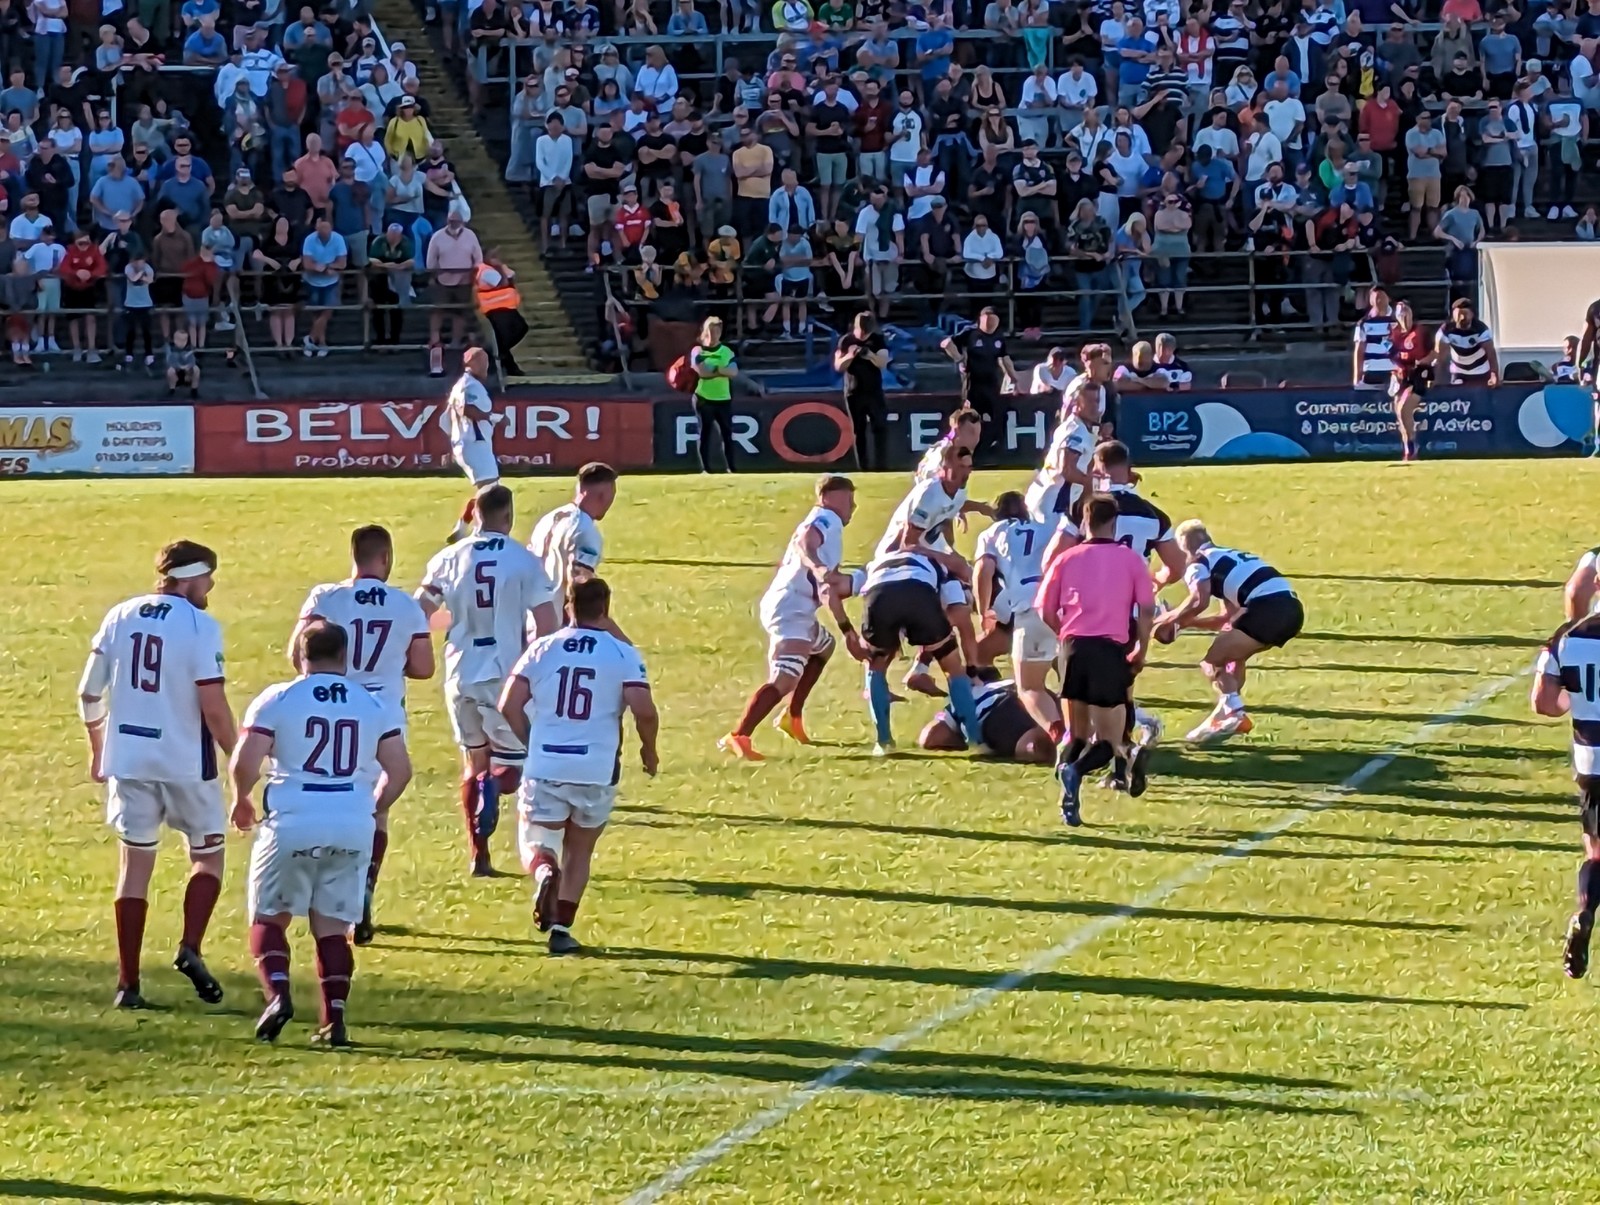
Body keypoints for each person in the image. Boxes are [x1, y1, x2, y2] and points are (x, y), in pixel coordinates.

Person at [230, 620, 411, 1047]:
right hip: (351, 821)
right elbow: (399, 770)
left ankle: (278, 994)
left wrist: (241, 798)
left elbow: (245, 761)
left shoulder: (278, 698)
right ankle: (335, 1020)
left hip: (292, 818)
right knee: (332, 927)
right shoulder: (371, 704)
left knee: (268, 917)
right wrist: (373, 807)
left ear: (300, 655)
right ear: (344, 657)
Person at [77, 540, 238, 1009]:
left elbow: (88, 693)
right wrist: (238, 759)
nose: (210, 587)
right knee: (207, 856)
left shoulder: (119, 615)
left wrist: (98, 749)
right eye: (208, 578)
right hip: (186, 761)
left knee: (134, 869)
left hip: (128, 757)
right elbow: (213, 707)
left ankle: (128, 984)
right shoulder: (200, 626)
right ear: (190, 579)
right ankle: (190, 946)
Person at [289, 525, 434, 945]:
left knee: (330, 797)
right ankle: (363, 888)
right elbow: (424, 667)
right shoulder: (406, 606)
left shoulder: (326, 598)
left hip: (329, 709)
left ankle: (332, 893)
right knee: (376, 811)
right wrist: (391, 663)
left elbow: (295, 655)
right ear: (385, 559)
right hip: (382, 713)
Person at [497, 577, 657, 955]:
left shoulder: (542, 649)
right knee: (580, 850)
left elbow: (508, 703)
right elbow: (644, 709)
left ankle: (542, 871)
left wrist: (530, 740)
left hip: (547, 762)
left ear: (568, 606)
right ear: (605, 607)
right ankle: (561, 929)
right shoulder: (622, 654)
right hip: (596, 767)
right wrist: (649, 750)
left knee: (534, 839)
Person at [417, 484, 558, 877]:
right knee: (514, 766)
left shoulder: (447, 557)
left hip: (459, 672)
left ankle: (479, 855)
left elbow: (420, 614)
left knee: (472, 761)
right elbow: (547, 625)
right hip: (503, 673)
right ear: (508, 517)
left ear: (475, 514)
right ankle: (494, 791)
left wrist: (456, 620)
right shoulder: (524, 561)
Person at [721, 475, 866, 760]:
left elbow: (828, 588)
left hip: (794, 604)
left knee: (824, 647)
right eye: (849, 500)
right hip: (789, 608)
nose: (854, 507)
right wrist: (818, 566)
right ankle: (738, 735)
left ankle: (792, 716)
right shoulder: (826, 518)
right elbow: (805, 541)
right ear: (832, 498)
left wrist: (849, 624)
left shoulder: (829, 527)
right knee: (784, 679)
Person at [1035, 494, 1155, 825]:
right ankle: (1079, 771)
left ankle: (1068, 799)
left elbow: (1044, 609)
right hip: (1109, 650)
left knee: (1075, 734)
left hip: (1073, 649)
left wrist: (1065, 635)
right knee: (1109, 740)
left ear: (1084, 522)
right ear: (1114, 523)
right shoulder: (1131, 560)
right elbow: (1146, 609)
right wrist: (1141, 649)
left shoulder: (1066, 558)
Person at [858, 484, 985, 755]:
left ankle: (883, 742)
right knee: (953, 667)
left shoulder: (877, 560)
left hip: (878, 593)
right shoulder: (935, 556)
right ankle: (975, 739)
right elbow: (961, 583)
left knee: (876, 666)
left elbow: (850, 586)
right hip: (917, 591)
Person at [1155, 521, 1304, 743]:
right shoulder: (1226, 556)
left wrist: (1167, 618)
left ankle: (1234, 710)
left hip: (1267, 608)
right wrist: (1183, 624)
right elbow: (1224, 619)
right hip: (1292, 610)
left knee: (1211, 662)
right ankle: (1225, 712)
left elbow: (1199, 600)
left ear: (1182, 547)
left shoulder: (1198, 562)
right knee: (1233, 656)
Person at [1532, 611, 1600, 977]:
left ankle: (1586, 910)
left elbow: (1543, 703)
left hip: (1592, 763)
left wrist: (1574, 703)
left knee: (1597, 854)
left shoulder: (1567, 638)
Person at [973, 491, 1057, 740]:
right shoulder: (1046, 529)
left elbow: (983, 570)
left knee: (1027, 685)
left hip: (1022, 603)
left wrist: (983, 610)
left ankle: (989, 703)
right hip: (1057, 602)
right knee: (1070, 675)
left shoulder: (992, 533)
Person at [527, 462, 619, 631]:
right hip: (557, 626)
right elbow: (579, 582)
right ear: (603, 496)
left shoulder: (548, 519)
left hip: (530, 618)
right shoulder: (585, 531)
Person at [1025, 347, 1109, 524]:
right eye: (1091, 402)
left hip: (1055, 501)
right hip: (1051, 506)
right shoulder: (1074, 430)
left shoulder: (1083, 427)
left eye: (1097, 402)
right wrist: (1091, 484)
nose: (1096, 407)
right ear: (1077, 404)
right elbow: (1067, 469)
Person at [941, 307, 1019, 463]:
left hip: (991, 385)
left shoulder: (998, 338)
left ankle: (988, 452)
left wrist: (1014, 379)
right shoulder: (970, 333)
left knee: (995, 419)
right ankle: (963, 455)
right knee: (969, 420)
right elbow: (946, 343)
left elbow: (1005, 359)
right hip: (973, 385)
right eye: (987, 319)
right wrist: (958, 359)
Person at [918, 678, 1054, 762]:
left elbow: (929, 737)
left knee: (1033, 749)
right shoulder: (967, 699)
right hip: (1021, 699)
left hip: (998, 711)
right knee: (1035, 746)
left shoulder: (962, 701)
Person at [446, 347, 499, 541]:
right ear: (471, 364)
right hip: (474, 444)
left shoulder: (463, 385)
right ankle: (479, 532)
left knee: (487, 490)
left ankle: (461, 529)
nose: (486, 366)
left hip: (470, 444)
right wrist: (491, 418)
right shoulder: (470, 385)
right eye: (482, 362)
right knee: (491, 491)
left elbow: (447, 418)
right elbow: (467, 409)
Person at [835, 311, 890, 471]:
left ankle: (882, 467)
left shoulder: (878, 340)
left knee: (879, 428)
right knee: (859, 432)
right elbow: (838, 366)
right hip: (853, 393)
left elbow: (883, 362)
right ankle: (863, 468)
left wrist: (870, 355)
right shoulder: (846, 340)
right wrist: (850, 356)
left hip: (874, 392)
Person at [690, 315, 738, 473]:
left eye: (717, 330)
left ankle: (732, 468)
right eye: (711, 330)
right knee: (705, 434)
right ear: (705, 331)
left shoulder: (727, 351)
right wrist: (721, 371)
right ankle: (705, 469)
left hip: (723, 398)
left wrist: (715, 370)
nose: (714, 334)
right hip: (704, 398)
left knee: (727, 435)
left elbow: (733, 372)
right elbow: (702, 373)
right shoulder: (698, 351)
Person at [1389, 299, 1434, 462]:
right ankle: (1409, 448)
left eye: (1406, 311)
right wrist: (1397, 367)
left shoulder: (1421, 332)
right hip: (1400, 376)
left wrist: (1420, 363)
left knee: (1404, 409)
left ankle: (1411, 446)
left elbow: (1433, 354)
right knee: (1400, 415)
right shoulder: (1393, 332)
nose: (1403, 315)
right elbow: (1390, 354)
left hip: (1418, 375)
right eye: (1400, 311)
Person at [476, 249, 527, 377]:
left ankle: (502, 356)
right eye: (493, 256)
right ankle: (507, 363)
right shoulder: (484, 270)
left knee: (520, 329)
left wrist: (501, 268)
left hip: (507, 307)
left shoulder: (496, 267)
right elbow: (503, 281)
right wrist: (500, 268)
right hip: (496, 309)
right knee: (505, 336)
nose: (497, 258)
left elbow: (512, 275)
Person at [1435, 297, 1499, 386]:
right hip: (1458, 372)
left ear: (1472, 314)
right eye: (1458, 315)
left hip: (1480, 372)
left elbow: (1491, 354)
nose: (1462, 318)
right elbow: (1441, 358)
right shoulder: (1446, 330)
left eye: (1465, 314)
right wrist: (1438, 382)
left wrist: (1494, 374)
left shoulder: (1481, 329)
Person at [1352, 285, 1397, 388]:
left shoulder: (1398, 320)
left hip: (1394, 373)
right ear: (1371, 301)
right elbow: (1359, 351)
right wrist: (1357, 377)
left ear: (1388, 299)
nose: (1379, 301)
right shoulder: (1364, 323)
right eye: (1376, 298)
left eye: (1382, 297)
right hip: (1371, 373)